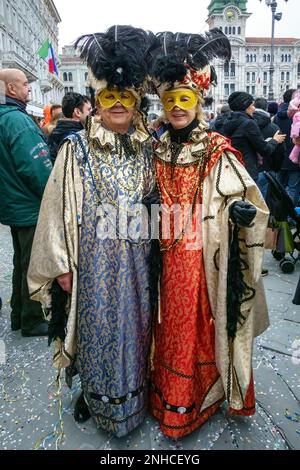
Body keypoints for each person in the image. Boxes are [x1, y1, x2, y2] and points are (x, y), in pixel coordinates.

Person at [28, 25, 156, 437]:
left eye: (125, 97)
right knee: (93, 330)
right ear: (97, 102)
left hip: (139, 263)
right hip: (93, 264)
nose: (117, 105)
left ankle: (135, 398)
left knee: (136, 331)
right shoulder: (75, 148)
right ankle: (94, 395)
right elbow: (55, 210)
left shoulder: (150, 147)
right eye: (109, 97)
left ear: (136, 103)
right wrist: (61, 264)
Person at [148, 29, 270, 439]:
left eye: (185, 100)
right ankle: (168, 394)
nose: (178, 108)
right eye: (170, 101)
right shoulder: (157, 148)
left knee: (203, 324)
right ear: (162, 108)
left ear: (198, 103)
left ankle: (204, 395)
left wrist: (240, 210)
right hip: (164, 256)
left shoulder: (217, 147)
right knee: (168, 326)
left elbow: (244, 195)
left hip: (204, 260)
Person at [0, 68, 52, 336]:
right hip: (28, 204)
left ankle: (19, 315)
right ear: (11, 89)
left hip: (12, 203)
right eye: (24, 84)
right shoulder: (18, 121)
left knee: (21, 261)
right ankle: (32, 318)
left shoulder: (5, 117)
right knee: (34, 263)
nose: (28, 89)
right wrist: (54, 195)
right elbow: (35, 167)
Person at [223, 91, 285, 184]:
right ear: (245, 106)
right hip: (247, 171)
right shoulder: (249, 124)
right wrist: (275, 140)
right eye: (252, 105)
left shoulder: (227, 121)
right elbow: (265, 150)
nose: (254, 108)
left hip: (231, 169)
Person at [253, 97, 285, 198]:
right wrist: (276, 167)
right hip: (268, 168)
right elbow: (280, 151)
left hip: (249, 168)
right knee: (266, 200)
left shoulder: (246, 125)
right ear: (266, 108)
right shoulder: (273, 127)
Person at [48, 92, 92, 163]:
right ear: (77, 112)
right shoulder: (75, 137)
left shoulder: (58, 131)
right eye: (89, 109)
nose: (91, 113)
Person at [274, 89, 300, 206]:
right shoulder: (296, 116)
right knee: (293, 189)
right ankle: (289, 218)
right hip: (295, 159)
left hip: (280, 158)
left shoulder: (277, 117)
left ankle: (278, 217)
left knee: (278, 188)